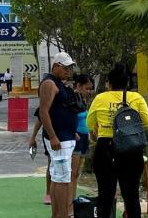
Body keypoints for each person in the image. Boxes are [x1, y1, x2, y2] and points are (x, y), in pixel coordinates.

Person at [86, 63, 148, 218]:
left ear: (109, 83)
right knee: (131, 197)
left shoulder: (100, 98)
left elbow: (89, 124)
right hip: (130, 149)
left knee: (105, 197)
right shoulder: (136, 98)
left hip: (105, 149)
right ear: (128, 83)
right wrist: (130, 130)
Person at [39, 51, 78, 218]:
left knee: (58, 177)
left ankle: (57, 214)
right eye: (65, 68)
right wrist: (53, 136)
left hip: (65, 137)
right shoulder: (49, 83)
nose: (68, 71)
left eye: (70, 68)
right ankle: (60, 214)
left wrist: (71, 131)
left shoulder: (58, 83)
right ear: (56, 66)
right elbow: (43, 112)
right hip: (59, 140)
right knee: (62, 179)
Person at [70, 74, 93, 212]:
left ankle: (74, 201)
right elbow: (68, 117)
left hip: (84, 137)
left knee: (77, 173)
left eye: (90, 89)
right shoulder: (72, 98)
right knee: (72, 173)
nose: (88, 91)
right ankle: (70, 204)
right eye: (87, 88)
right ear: (78, 86)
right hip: (76, 138)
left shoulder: (82, 99)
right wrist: (73, 133)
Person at [28, 104, 52, 205]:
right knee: (51, 163)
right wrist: (33, 137)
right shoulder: (47, 100)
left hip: (66, 135)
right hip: (49, 135)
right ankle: (48, 193)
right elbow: (40, 118)